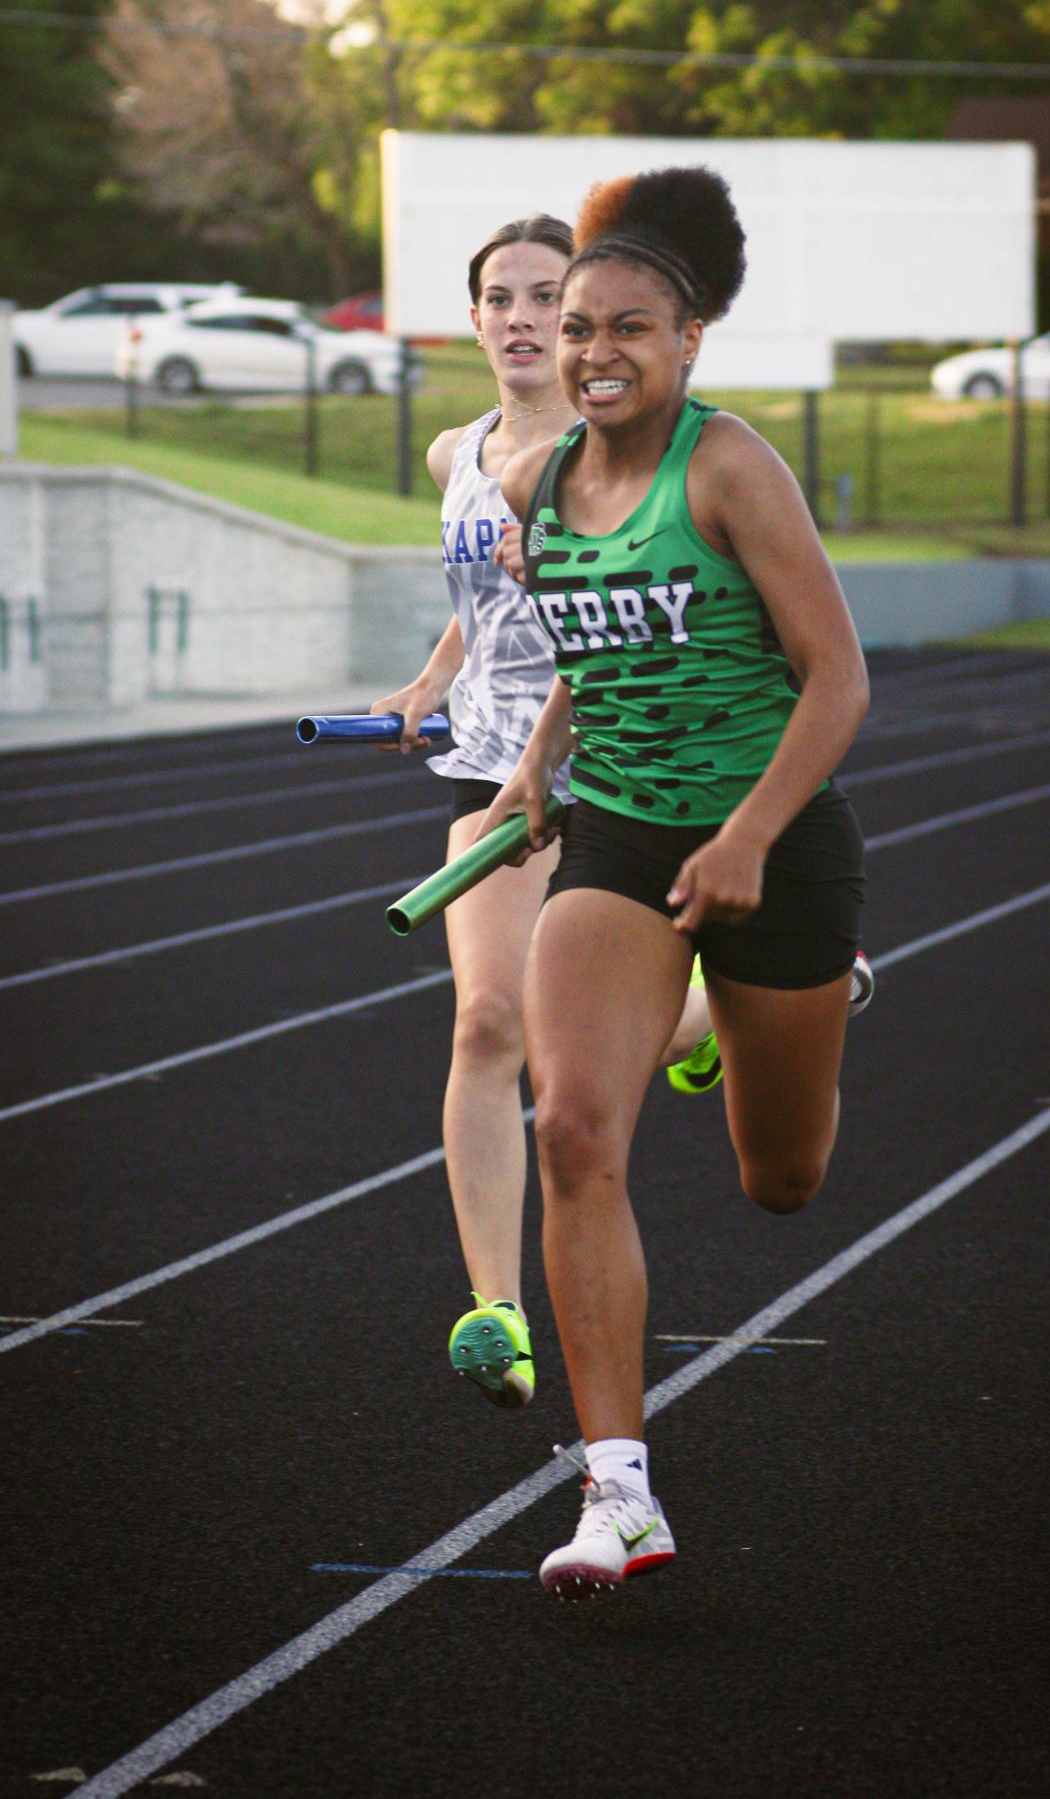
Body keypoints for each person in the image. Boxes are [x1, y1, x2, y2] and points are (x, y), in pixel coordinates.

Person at [480, 166, 870, 1596]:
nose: (593, 350)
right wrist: (535, 769)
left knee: (782, 1179)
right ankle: (617, 1493)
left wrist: (754, 836)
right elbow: (597, 650)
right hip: (624, 838)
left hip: (772, 838)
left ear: (687, 337)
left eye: (626, 328)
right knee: (571, 1124)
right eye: (577, 326)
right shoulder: (536, 484)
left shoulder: (728, 466)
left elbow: (838, 677)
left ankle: (743, 1014)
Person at [368, 214, 715, 1412]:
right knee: (487, 1023)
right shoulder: (452, 452)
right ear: (473, 320)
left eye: (542, 299)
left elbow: (619, 609)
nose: (520, 319)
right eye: (498, 299)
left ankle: (706, 1014)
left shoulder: (613, 447)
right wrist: (432, 678)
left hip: (606, 767)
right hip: (485, 764)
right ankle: (493, 1312)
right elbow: (480, 601)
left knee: (583, 1057)